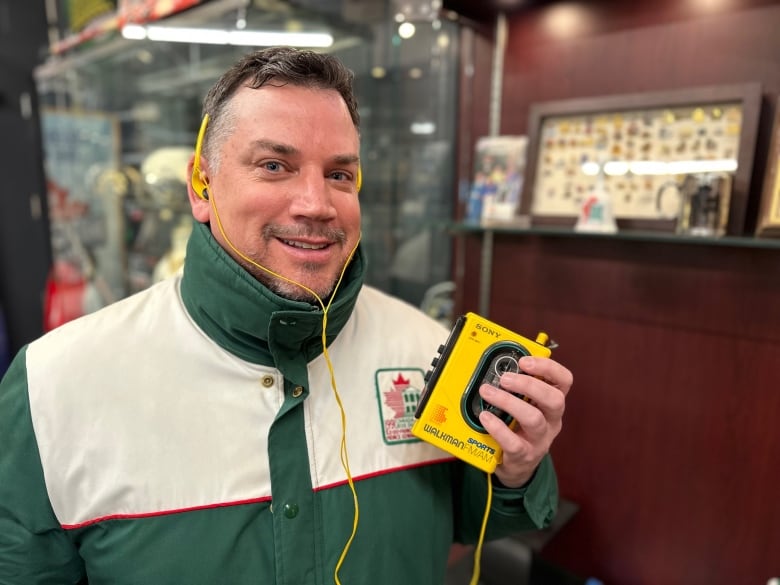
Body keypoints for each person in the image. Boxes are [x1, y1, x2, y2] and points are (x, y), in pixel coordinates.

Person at [0, 47, 573, 585]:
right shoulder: (54, 384)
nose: (316, 205)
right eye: (275, 165)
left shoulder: (428, 352)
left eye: (339, 175)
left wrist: (516, 468)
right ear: (201, 186)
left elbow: (479, 523)